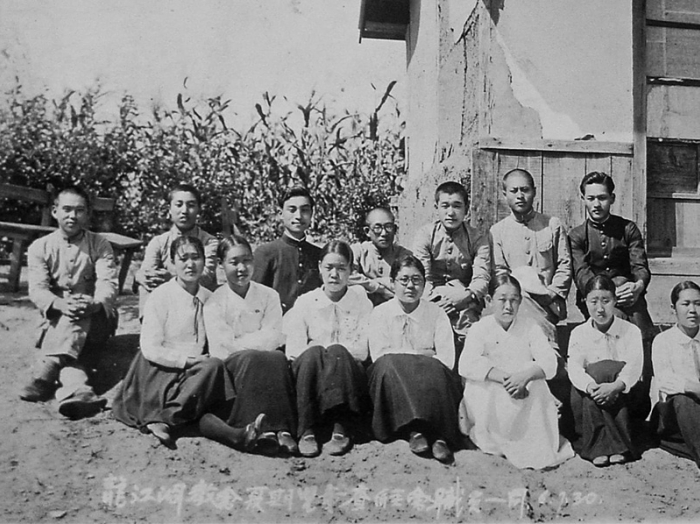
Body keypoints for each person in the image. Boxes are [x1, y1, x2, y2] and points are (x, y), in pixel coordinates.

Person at [113, 236, 264, 451]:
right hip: (158, 368)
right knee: (211, 368)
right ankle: (164, 417)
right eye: (183, 258)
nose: (190, 264)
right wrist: (185, 360)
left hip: (194, 372)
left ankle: (237, 435)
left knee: (213, 370)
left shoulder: (210, 298)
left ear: (205, 261)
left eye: (196, 257)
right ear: (172, 263)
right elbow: (149, 347)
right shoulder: (160, 297)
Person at [20, 186, 118, 419]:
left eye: (79, 210)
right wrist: (62, 305)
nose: (73, 216)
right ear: (55, 211)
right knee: (74, 341)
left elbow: (108, 284)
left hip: (96, 319)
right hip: (54, 321)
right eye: (67, 209)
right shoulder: (40, 247)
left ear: (88, 214)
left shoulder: (100, 245)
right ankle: (80, 390)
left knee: (79, 308)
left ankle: (46, 371)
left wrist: (94, 303)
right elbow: (38, 290)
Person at [459, 274, 574, 469]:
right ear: (489, 300)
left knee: (536, 377)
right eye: (502, 300)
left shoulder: (531, 327)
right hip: (493, 389)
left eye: (514, 300)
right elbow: (467, 363)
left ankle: (529, 442)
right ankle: (495, 439)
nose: (508, 306)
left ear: (520, 301)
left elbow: (549, 363)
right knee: (480, 381)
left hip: (523, 389)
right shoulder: (480, 328)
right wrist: (507, 379)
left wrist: (524, 377)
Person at [569, 171, 656, 411]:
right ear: (583, 199)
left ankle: (640, 403)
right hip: (597, 299)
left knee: (643, 334)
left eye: (602, 197)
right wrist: (612, 295)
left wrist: (638, 286)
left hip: (630, 296)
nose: (596, 204)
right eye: (591, 198)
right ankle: (612, 401)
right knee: (613, 326)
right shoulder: (576, 235)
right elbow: (582, 275)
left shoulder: (628, 229)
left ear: (612, 198)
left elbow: (640, 266)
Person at [204, 234, 298, 455]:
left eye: (246, 260)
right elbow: (221, 347)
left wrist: (242, 342)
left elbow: (275, 335)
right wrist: (256, 342)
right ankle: (260, 429)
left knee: (276, 357)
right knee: (256, 357)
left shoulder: (268, 295)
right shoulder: (215, 302)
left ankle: (283, 428)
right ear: (221, 265)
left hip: (264, 359)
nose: (241, 268)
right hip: (234, 368)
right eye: (234, 262)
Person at [368, 256, 462, 463]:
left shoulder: (437, 313)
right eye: (404, 280)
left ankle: (438, 435)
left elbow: (446, 359)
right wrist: (422, 354)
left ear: (425, 284)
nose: (410, 286)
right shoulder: (380, 313)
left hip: (429, 377)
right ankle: (414, 430)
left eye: (417, 280)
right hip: (394, 376)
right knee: (389, 365)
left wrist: (405, 356)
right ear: (392, 282)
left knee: (435, 369)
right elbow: (379, 355)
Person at [283, 240, 373, 457]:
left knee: (338, 352)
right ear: (320, 267)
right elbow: (293, 350)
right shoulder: (306, 302)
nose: (334, 275)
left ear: (351, 270)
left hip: (347, 375)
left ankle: (341, 427)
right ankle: (306, 429)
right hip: (311, 373)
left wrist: (328, 349)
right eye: (329, 267)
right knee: (312, 354)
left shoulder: (362, 302)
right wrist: (319, 352)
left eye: (341, 268)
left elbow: (362, 351)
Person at [490, 169, 572, 350]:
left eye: (525, 190)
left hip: (549, 304)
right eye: (514, 191)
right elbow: (500, 271)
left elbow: (564, 265)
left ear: (534, 192)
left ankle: (549, 352)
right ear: (505, 194)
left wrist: (552, 293)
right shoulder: (498, 231)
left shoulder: (552, 225)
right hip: (515, 304)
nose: (520, 196)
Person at [568, 275, 644, 467]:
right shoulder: (578, 333)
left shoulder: (631, 331)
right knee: (597, 372)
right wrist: (591, 386)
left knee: (607, 369)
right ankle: (599, 447)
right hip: (591, 396)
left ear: (615, 301)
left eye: (606, 301)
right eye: (594, 301)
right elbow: (575, 368)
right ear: (585, 302)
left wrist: (615, 386)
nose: (600, 308)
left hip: (623, 394)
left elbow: (634, 366)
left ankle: (618, 445)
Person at [412, 181, 490, 337]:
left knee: (474, 330)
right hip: (431, 298)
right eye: (445, 206)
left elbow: (482, 277)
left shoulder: (477, 238)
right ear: (437, 208)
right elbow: (421, 277)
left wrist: (467, 296)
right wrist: (436, 303)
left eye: (457, 206)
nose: (451, 212)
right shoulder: (425, 235)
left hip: (466, 299)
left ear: (466, 209)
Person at [135, 183, 218, 317]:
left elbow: (206, 276)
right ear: (170, 209)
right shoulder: (159, 242)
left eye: (191, 205)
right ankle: (148, 326)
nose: (184, 211)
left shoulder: (209, 242)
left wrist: (173, 278)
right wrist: (144, 276)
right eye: (179, 205)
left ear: (198, 210)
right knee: (145, 286)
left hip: (198, 300)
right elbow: (147, 269)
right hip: (166, 301)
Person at [650, 281, 700, 467]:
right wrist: (694, 388)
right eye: (685, 304)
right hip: (674, 414)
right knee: (683, 399)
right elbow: (665, 381)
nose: (692, 310)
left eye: (698, 304)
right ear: (674, 309)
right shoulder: (663, 341)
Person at [253, 186, 323, 313]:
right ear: (281, 214)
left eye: (304, 210)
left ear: (311, 214)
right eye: (292, 210)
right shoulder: (266, 253)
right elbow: (255, 298)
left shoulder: (319, 254)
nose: (298, 216)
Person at [349, 207, 412, 306]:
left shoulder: (404, 255)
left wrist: (369, 282)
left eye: (388, 227)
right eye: (377, 228)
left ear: (395, 230)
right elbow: (348, 277)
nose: (384, 233)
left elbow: (407, 283)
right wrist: (379, 288)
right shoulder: (358, 251)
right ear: (367, 231)